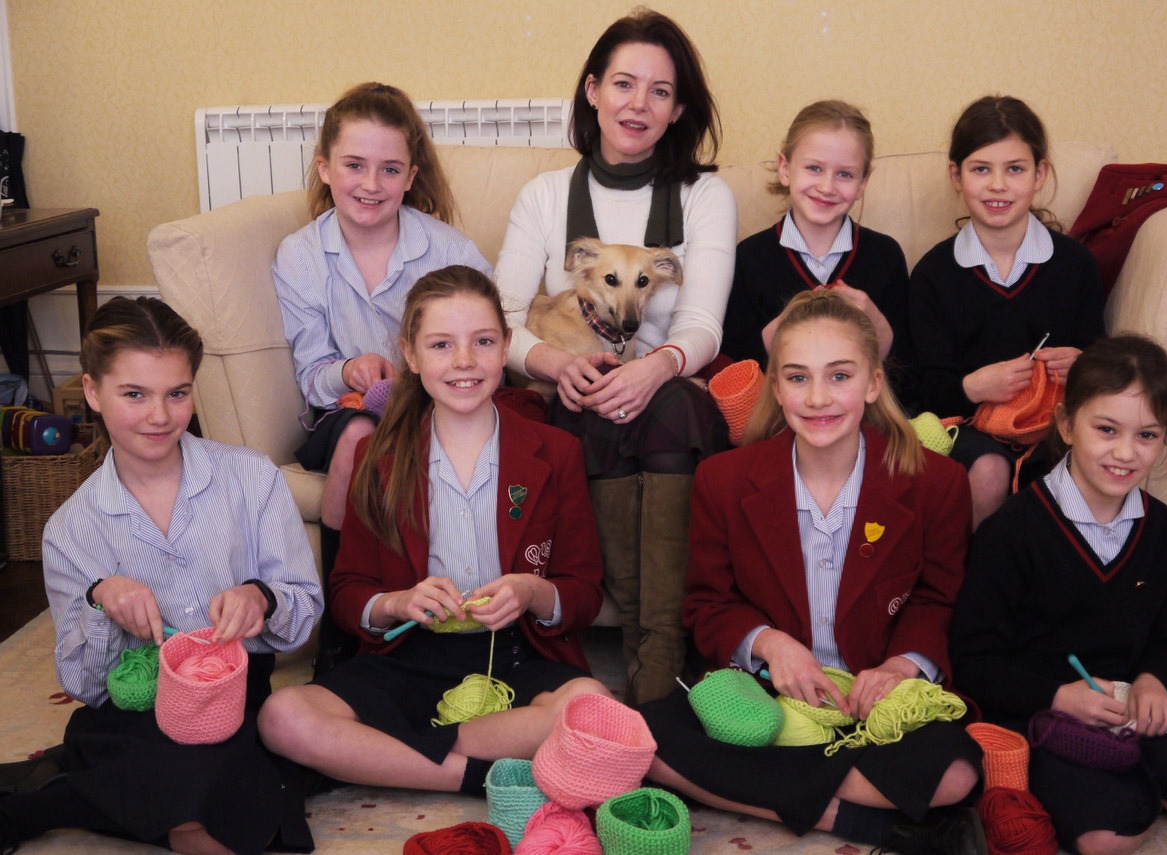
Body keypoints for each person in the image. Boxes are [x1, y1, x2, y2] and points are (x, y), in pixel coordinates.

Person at [642, 290, 985, 854]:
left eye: (840, 376)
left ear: (873, 384)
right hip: (766, 698)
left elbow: (937, 599)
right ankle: (872, 823)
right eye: (798, 378)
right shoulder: (725, 481)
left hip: (873, 698)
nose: (819, 397)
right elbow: (707, 604)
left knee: (957, 773)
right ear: (775, 388)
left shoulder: (936, 482)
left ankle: (764, 790)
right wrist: (774, 646)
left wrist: (900, 667)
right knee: (645, 741)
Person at [258, 266, 612, 795]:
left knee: (594, 707)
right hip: (408, 660)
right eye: (442, 344)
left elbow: (583, 593)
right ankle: (471, 773)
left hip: (514, 656)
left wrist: (531, 590)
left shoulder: (556, 452)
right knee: (282, 715)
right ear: (412, 354)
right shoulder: (377, 458)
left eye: (483, 341)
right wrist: (398, 603)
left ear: (506, 347)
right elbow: (349, 591)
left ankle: (399, 753)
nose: (465, 361)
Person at [0, 296, 322, 854]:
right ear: (93, 392)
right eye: (134, 394)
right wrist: (100, 600)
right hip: (134, 713)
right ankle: (116, 794)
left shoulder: (250, 479)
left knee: (248, 792)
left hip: (233, 700)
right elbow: (85, 685)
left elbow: (303, 610)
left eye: (177, 392)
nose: (160, 415)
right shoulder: (70, 529)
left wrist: (261, 597)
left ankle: (64, 796)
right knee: (199, 785)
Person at [495, 9, 737, 705]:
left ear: (678, 108)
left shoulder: (703, 195)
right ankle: (651, 670)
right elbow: (502, 322)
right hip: (562, 392)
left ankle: (655, 667)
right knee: (592, 415)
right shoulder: (544, 197)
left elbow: (700, 325)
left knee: (674, 408)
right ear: (593, 90)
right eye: (624, 84)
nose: (639, 103)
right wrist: (553, 364)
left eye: (660, 91)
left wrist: (655, 365)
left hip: (660, 388)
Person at [950, 334, 1167, 854]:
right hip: (1043, 710)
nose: (1125, 452)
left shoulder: (1163, 530)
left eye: (1146, 434)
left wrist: (1152, 682)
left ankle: (1149, 767)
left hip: (1129, 708)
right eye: (1106, 429)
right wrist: (1058, 697)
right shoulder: (1013, 531)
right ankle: (1134, 779)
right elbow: (972, 659)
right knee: (1105, 838)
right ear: (1066, 424)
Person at [273, 81, 490, 672]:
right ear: (325, 168)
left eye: (389, 169)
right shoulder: (301, 255)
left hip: (432, 405)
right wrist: (348, 368)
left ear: (411, 174)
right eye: (354, 166)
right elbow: (310, 370)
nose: (371, 185)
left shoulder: (446, 248)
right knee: (356, 435)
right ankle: (347, 621)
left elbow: (489, 328)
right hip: (346, 409)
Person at [908, 95, 1106, 528]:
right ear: (956, 176)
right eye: (981, 169)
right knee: (991, 470)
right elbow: (924, 388)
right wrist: (975, 385)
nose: (998, 185)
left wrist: (1084, 365)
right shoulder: (933, 274)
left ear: (1040, 175)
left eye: (1014, 169)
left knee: (1091, 458)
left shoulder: (1075, 266)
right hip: (970, 428)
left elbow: (1104, 360)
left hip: (1056, 426)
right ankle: (978, 585)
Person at [721, 99, 912, 402]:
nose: (826, 186)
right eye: (813, 168)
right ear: (785, 169)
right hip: (778, 418)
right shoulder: (748, 258)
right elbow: (734, 369)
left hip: (864, 417)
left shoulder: (885, 256)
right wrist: (779, 334)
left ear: (863, 182)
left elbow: (907, 378)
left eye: (845, 174)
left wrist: (876, 322)